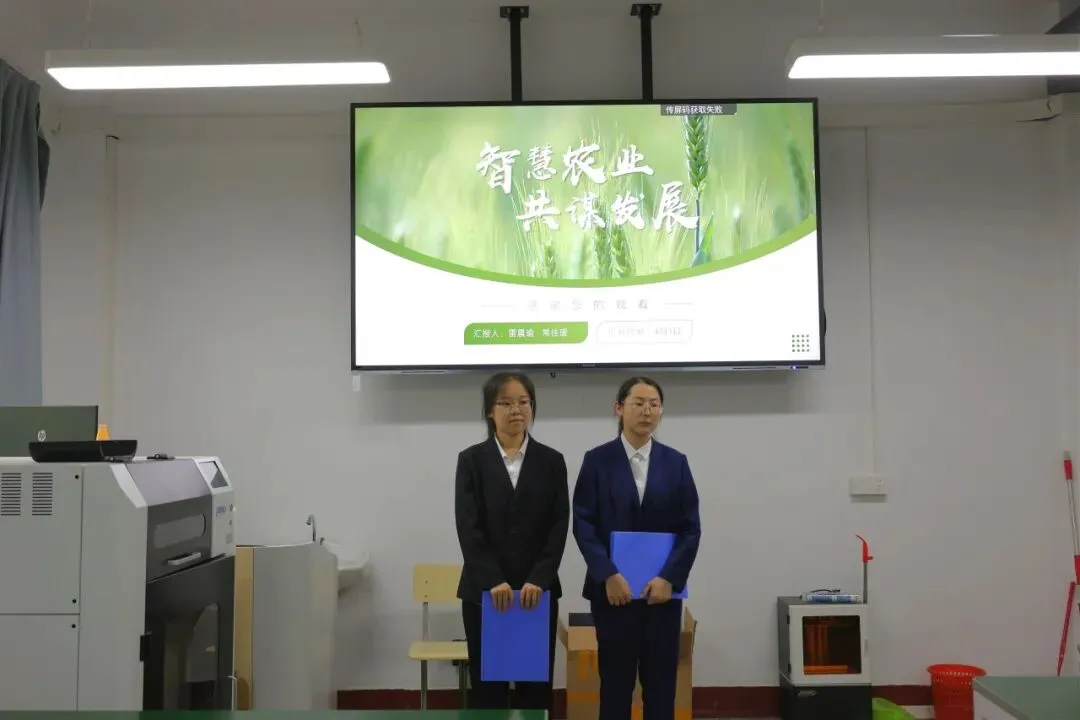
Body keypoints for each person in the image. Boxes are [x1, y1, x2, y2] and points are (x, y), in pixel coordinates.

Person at [571, 376, 702, 720]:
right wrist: (608, 574)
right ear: (619, 408)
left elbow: (690, 528)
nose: (647, 411)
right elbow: (583, 523)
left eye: (654, 404)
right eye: (638, 403)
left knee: (661, 687)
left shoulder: (676, 462)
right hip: (614, 595)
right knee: (615, 685)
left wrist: (669, 578)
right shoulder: (597, 460)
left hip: (662, 596)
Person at [454, 371, 570, 711]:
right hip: (484, 594)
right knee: (488, 690)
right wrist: (492, 580)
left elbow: (559, 525)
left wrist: (540, 578)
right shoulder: (471, 460)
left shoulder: (551, 461)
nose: (516, 410)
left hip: (536, 594)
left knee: (535, 689)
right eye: (506, 403)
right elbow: (468, 526)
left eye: (524, 402)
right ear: (490, 411)